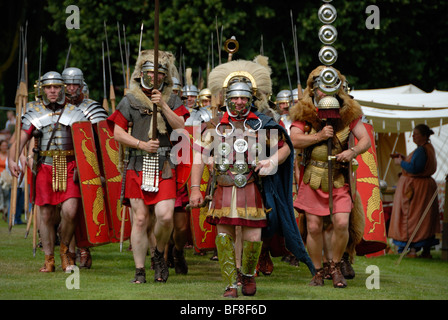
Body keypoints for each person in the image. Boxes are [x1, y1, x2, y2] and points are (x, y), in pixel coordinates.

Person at [189, 59, 314, 298]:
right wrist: (195, 188)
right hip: (223, 186)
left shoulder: (262, 124)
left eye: (244, 98)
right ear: (227, 99)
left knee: (253, 236)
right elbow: (198, 156)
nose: (239, 102)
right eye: (235, 98)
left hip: (252, 185)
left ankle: (246, 275)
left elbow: (285, 147)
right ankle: (229, 284)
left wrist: (272, 161)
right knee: (224, 237)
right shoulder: (214, 125)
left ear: (251, 99)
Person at [109, 49, 188, 283]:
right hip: (138, 162)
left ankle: (159, 254)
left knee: (165, 216)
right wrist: (141, 144)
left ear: (165, 76)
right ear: (141, 73)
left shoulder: (172, 98)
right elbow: (117, 133)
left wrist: (162, 105)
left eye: (159, 74)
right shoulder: (130, 99)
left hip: (165, 163)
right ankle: (140, 270)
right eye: (150, 73)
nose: (154, 78)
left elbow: (181, 126)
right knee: (141, 219)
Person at [289, 65, 370, 288]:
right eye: (320, 88)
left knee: (341, 223)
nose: (324, 92)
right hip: (313, 177)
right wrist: (318, 136)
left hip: (339, 178)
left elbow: (365, 140)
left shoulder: (348, 112)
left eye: (329, 87)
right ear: (313, 90)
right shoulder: (304, 112)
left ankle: (334, 266)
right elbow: (294, 140)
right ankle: (317, 271)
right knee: (314, 227)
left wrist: (352, 151)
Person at [8, 71, 87, 272]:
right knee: (45, 216)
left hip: (69, 166)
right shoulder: (33, 111)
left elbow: (86, 143)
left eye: (57, 87)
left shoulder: (76, 112)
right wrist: (12, 159)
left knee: (70, 211)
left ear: (62, 88)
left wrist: (84, 167)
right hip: (45, 166)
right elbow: (20, 140)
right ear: (42, 89)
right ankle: (49, 258)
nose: (53, 91)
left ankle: (65, 250)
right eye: (48, 87)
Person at [62, 66, 109, 269]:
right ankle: (68, 250)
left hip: (88, 164)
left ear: (82, 85)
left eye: (75, 84)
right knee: (67, 212)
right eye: (68, 84)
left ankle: (83, 248)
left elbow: (104, 143)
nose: (72, 88)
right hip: (62, 163)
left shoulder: (93, 108)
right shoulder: (56, 108)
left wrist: (99, 170)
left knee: (84, 210)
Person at [388, 124, 440, 258]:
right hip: (424, 187)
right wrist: (405, 158)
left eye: (415, 134)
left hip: (418, 189)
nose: (413, 136)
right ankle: (425, 250)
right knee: (424, 217)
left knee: (414, 216)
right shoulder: (425, 149)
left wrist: (401, 162)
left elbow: (416, 168)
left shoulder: (423, 150)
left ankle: (413, 250)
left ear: (423, 136)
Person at [0, 140, 10, 221]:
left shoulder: (9, 155)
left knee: (6, 195)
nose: (4, 147)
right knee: (0, 195)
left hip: (6, 178)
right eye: (3, 145)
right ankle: (2, 208)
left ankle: (5, 211)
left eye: (5, 145)